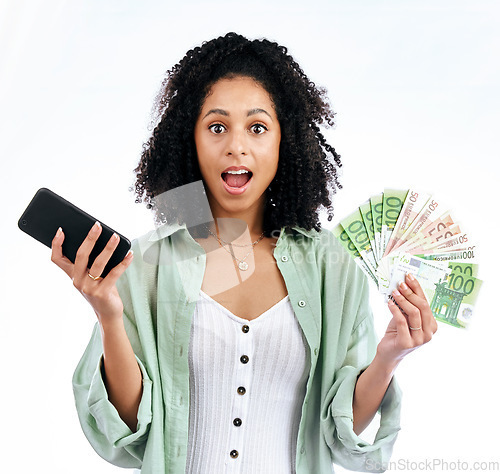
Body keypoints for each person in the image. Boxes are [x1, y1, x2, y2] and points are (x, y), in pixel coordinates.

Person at [51, 32, 437, 473]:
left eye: (257, 127)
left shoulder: (331, 267)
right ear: (190, 141)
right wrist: (109, 316)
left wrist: (389, 355)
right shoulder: (146, 264)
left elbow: (341, 432)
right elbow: (129, 427)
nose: (237, 145)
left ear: (282, 142)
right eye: (217, 127)